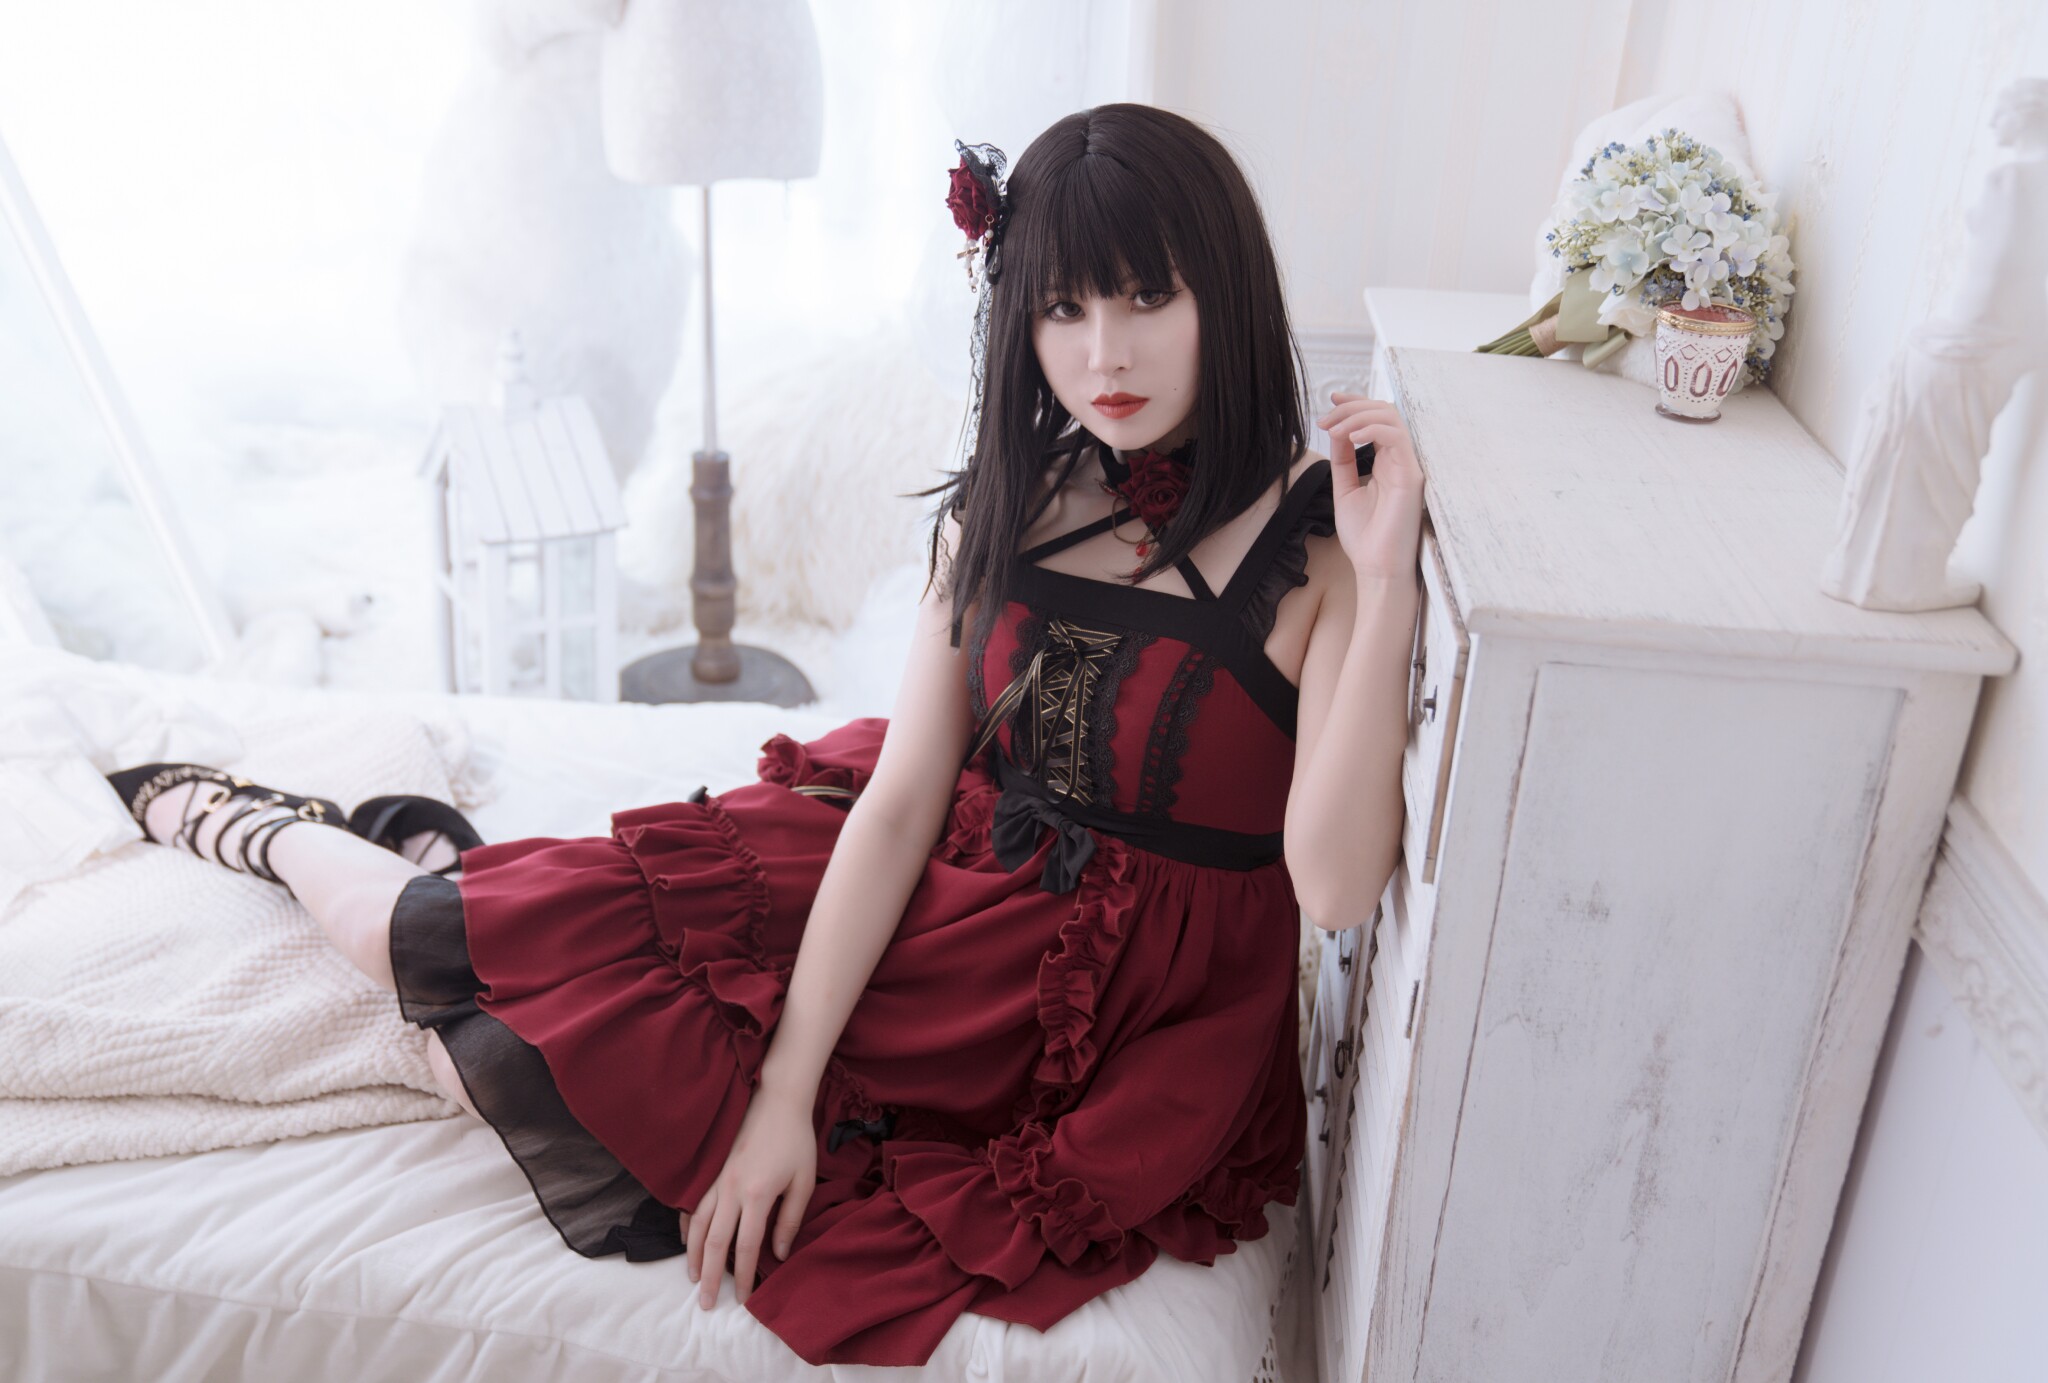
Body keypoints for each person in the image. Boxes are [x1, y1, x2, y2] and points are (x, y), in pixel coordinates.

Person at [103, 102, 1424, 1367]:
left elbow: (1331, 886)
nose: (1104, 358)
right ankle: (260, 828)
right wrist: (788, 1091)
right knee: (449, 956)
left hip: (1128, 1018)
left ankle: (401, 859)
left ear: (1223, 294)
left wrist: (1388, 585)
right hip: (930, 892)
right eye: (1064, 309)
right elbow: (904, 802)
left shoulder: (1318, 552)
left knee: (534, 1074)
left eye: (1147, 298)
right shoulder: (1014, 505)